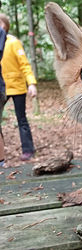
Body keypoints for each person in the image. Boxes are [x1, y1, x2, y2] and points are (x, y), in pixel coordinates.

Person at [0, 14, 37, 166]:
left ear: (5, 25)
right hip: (2, 87)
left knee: (21, 119)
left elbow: (24, 64)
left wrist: (31, 83)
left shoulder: (13, 42)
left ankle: (28, 149)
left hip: (17, 87)